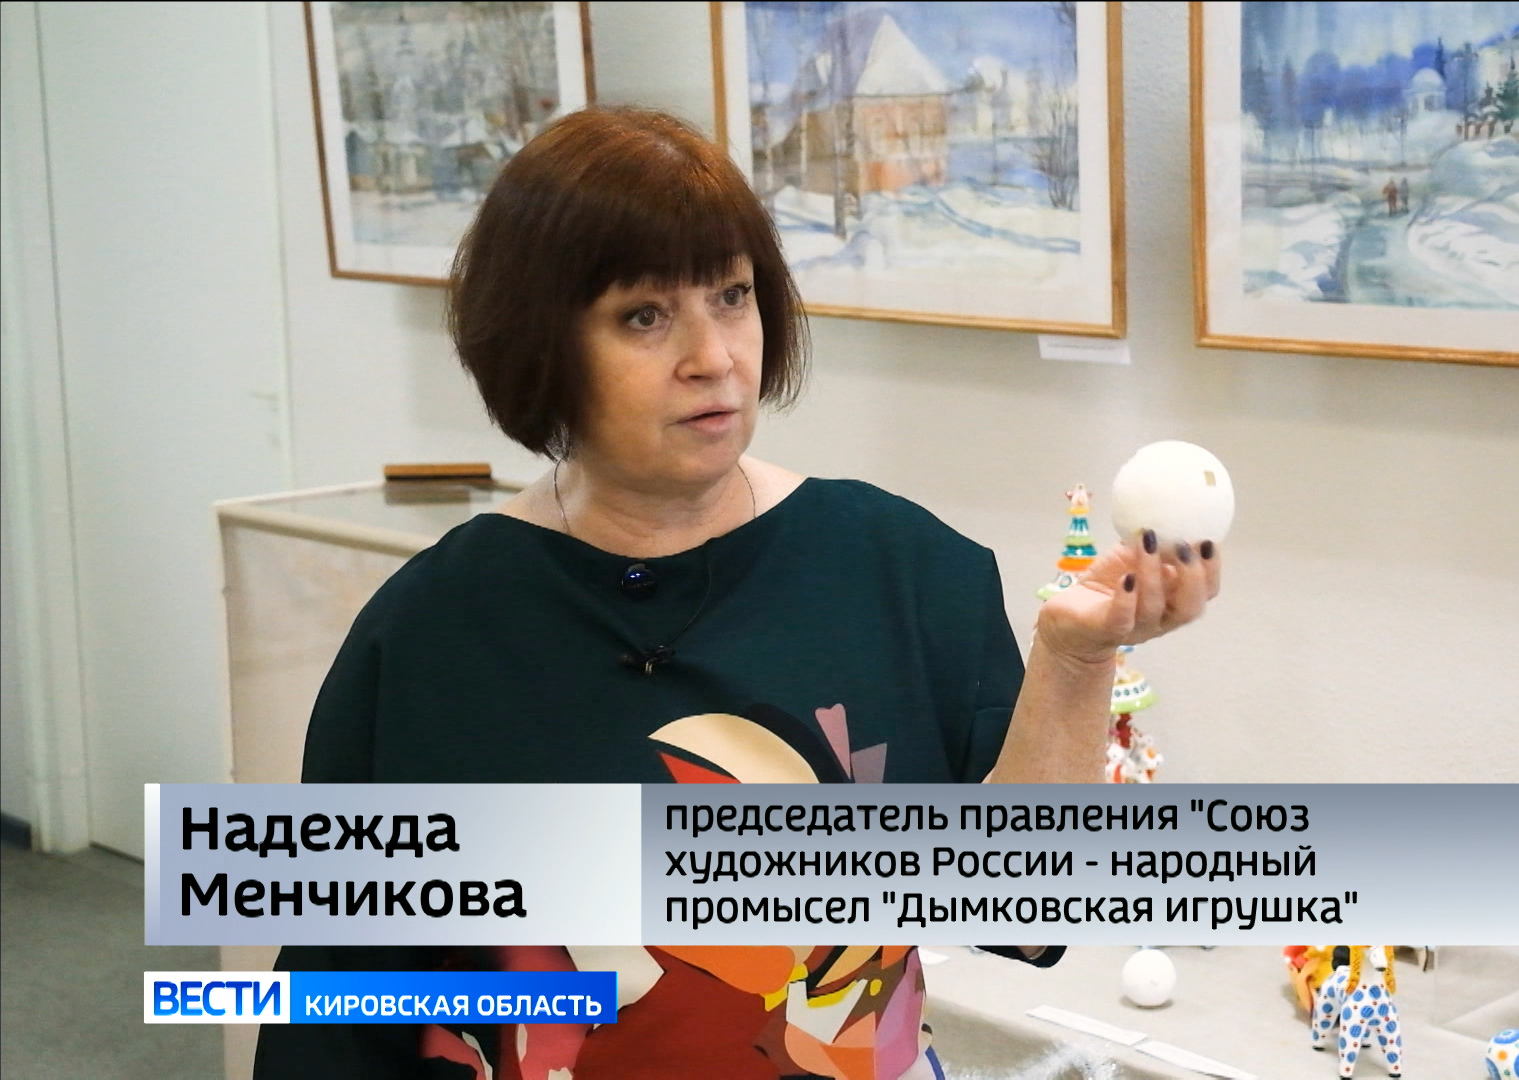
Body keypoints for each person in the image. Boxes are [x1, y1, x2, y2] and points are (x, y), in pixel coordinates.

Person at [254, 107, 1221, 1079]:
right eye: (644, 316)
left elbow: (1025, 912)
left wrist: (1076, 659)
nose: (714, 357)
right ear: (542, 343)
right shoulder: (428, 636)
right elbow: (342, 1010)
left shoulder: (901, 569)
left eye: (731, 296)